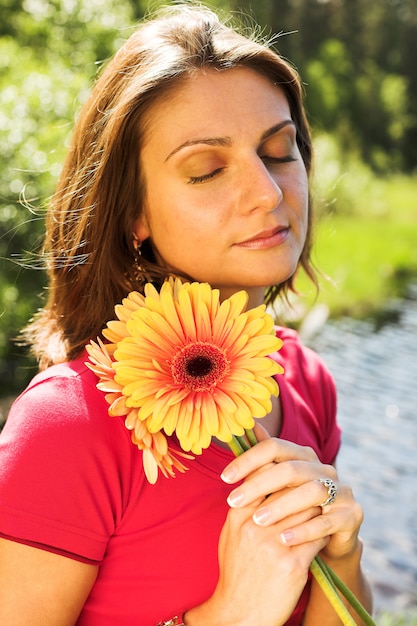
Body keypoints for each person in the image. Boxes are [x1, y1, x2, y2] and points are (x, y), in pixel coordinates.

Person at [0, 3, 373, 625]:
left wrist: (346, 547)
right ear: (133, 214)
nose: (268, 191)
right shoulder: (70, 425)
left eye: (280, 152)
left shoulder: (306, 383)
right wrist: (224, 616)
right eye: (206, 169)